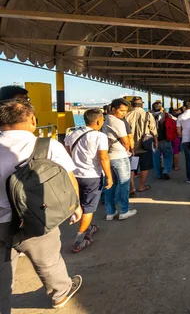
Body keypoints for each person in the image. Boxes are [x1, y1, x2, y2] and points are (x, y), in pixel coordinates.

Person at [0, 99, 83, 311]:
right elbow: (68, 178)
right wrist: (75, 206)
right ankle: (60, 294)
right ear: (33, 120)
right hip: (37, 217)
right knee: (49, 261)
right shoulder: (47, 146)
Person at [65, 108, 113, 253]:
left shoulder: (72, 134)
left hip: (74, 175)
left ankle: (89, 227)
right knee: (89, 207)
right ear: (98, 121)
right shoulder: (100, 136)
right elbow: (103, 157)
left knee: (80, 203)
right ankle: (80, 240)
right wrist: (109, 176)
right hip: (92, 175)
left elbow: (67, 154)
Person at [102, 98, 137, 220]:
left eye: (125, 111)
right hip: (120, 156)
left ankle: (110, 212)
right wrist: (127, 149)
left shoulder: (105, 119)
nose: (124, 113)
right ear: (113, 109)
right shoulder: (118, 122)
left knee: (110, 184)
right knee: (124, 183)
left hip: (108, 156)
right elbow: (125, 141)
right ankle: (124, 210)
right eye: (121, 111)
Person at [124, 97, 158, 193]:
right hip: (145, 145)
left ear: (131, 104)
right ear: (142, 105)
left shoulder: (127, 115)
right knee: (145, 167)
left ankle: (132, 187)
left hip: (131, 147)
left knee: (132, 167)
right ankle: (141, 186)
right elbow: (153, 130)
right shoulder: (148, 115)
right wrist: (156, 141)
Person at [177, 100, 190, 184]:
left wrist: (183, 136)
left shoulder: (180, 117)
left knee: (189, 159)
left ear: (184, 107)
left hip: (186, 140)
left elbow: (178, 131)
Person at [151, 102, 173, 180]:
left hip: (154, 140)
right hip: (165, 139)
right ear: (161, 108)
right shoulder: (166, 115)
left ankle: (158, 174)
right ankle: (166, 171)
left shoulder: (149, 116)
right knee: (168, 156)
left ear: (152, 108)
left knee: (156, 158)